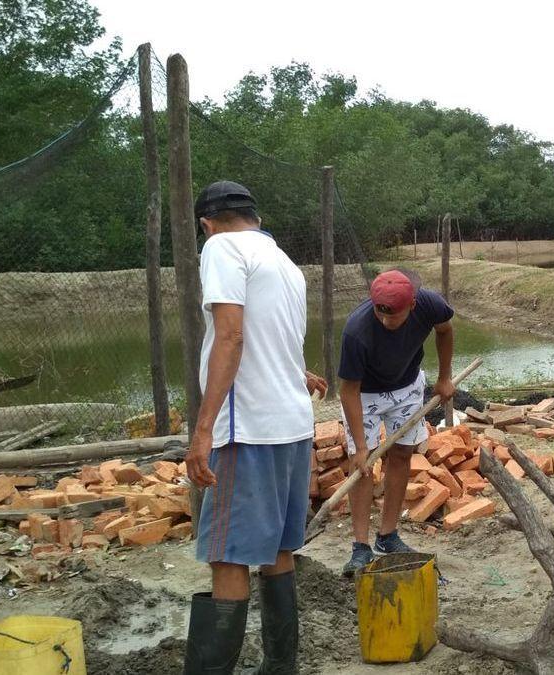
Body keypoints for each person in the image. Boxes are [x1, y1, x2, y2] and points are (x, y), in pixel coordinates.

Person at [183, 181, 328, 674]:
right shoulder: (284, 263)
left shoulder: (221, 247)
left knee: (227, 556)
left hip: (247, 428)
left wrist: (203, 430)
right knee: (276, 551)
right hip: (290, 424)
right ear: (256, 217)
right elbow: (276, 336)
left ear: (207, 223)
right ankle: (279, 667)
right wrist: (298, 372)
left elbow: (232, 334)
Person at [338, 268, 455, 576]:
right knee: (361, 466)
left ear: (412, 305)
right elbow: (348, 389)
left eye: (394, 316)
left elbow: (445, 330)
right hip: (364, 395)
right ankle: (360, 547)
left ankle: (388, 536)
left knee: (402, 454)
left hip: (407, 388)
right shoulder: (357, 330)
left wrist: (444, 378)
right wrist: (362, 447)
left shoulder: (429, 304)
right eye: (380, 313)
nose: (386, 321)